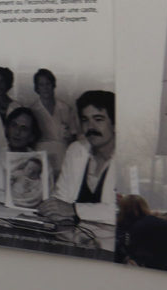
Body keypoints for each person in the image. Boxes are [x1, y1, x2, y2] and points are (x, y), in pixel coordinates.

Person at [38, 90, 116, 225]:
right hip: (73, 237)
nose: (90, 127)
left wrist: (74, 209)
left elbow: (124, 212)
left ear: (115, 124)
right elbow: (60, 198)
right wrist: (53, 211)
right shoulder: (76, 150)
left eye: (98, 119)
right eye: (85, 120)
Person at [0, 108, 50, 206]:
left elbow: (47, 194)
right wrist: (14, 200)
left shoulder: (40, 162)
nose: (17, 132)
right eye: (14, 125)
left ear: (31, 136)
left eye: (24, 128)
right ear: (7, 129)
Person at [28, 68, 76, 175]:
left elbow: (74, 136)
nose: (45, 88)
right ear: (37, 88)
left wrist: (68, 137)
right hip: (41, 155)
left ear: (53, 85)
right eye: (41, 84)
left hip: (63, 155)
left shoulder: (65, 108)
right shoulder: (32, 110)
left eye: (48, 84)